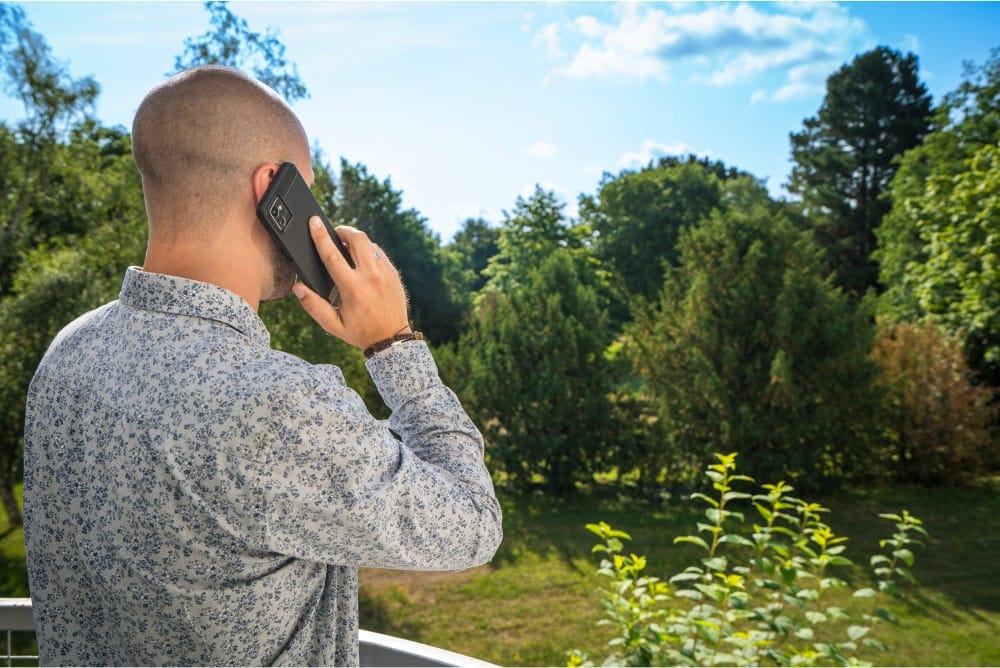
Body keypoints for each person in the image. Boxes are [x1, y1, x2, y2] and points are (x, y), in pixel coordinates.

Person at [22, 65, 503, 666]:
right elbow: (471, 523)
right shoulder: (272, 401)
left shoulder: (70, 349)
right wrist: (393, 343)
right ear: (272, 187)